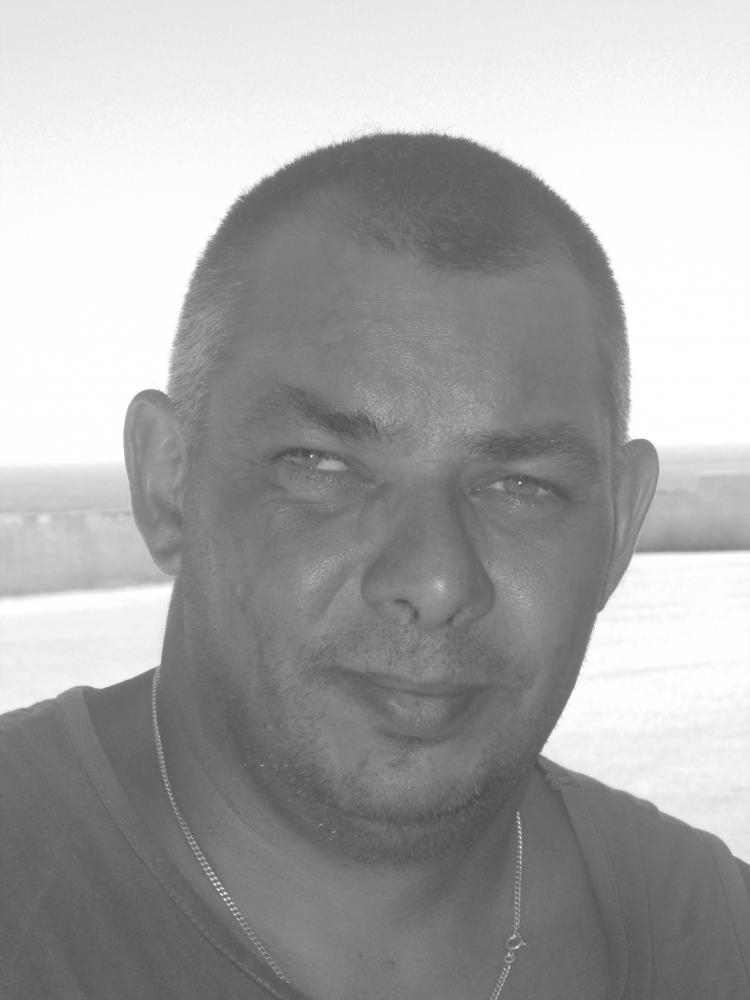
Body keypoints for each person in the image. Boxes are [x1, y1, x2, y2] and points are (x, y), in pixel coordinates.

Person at [2, 133, 748, 999]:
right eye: (322, 464)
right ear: (169, 485)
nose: (436, 583)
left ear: (618, 526)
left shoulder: (714, 935)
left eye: (521, 485)